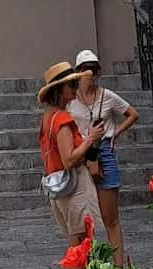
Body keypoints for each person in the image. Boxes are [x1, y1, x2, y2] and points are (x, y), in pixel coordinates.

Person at [68, 49, 139, 268]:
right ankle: (85, 264)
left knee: (110, 218)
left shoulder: (107, 96)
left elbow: (132, 114)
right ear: (78, 73)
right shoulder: (70, 99)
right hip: (80, 154)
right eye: (85, 69)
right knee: (80, 220)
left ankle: (117, 267)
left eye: (93, 68)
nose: (89, 73)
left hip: (104, 153)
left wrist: (115, 132)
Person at [38, 61, 106, 251]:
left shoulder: (48, 117)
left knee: (78, 243)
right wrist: (90, 138)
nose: (76, 89)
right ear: (59, 89)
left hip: (59, 185)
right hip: (74, 184)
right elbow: (68, 159)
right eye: (72, 85)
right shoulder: (62, 118)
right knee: (81, 244)